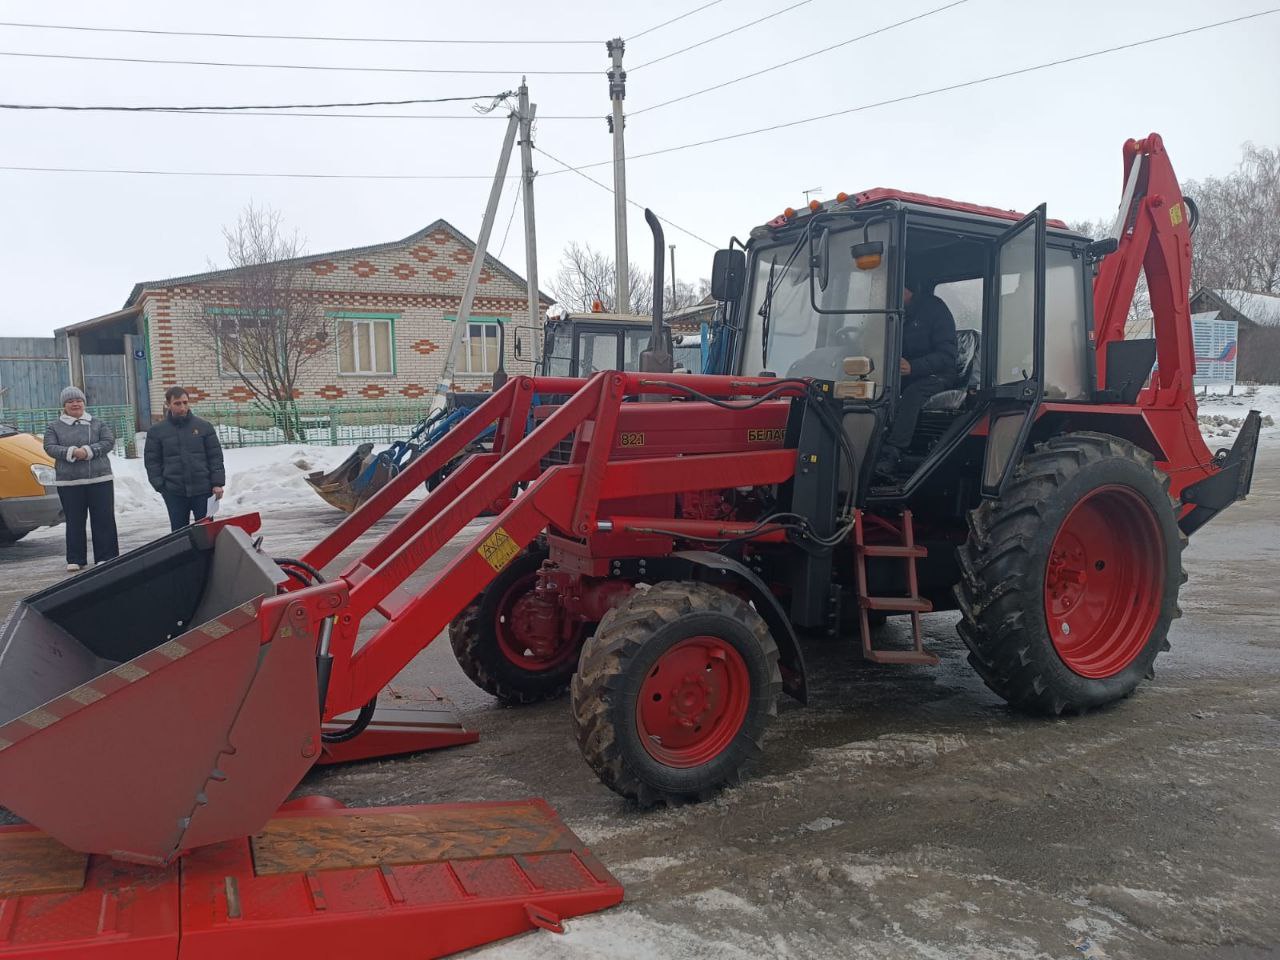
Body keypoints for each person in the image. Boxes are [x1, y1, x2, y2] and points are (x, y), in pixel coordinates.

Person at [875, 278, 958, 481]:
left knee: (912, 393)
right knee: (873, 391)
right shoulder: (888, 314)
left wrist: (914, 367)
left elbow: (948, 355)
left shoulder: (935, 310)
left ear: (906, 289)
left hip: (938, 375)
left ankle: (891, 453)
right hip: (898, 374)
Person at [43, 386, 119, 571]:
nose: (75, 404)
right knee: (75, 520)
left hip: (100, 479)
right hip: (69, 482)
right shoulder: (54, 426)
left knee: (103, 518)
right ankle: (75, 558)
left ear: (84, 403)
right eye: (70, 402)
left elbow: (108, 441)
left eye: (78, 401)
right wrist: (71, 452)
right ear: (64, 406)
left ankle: (106, 556)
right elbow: (49, 446)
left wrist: (89, 451)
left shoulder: (98, 423)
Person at [145, 386, 226, 531]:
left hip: (203, 490)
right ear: (168, 404)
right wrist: (161, 486)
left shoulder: (204, 427)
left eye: (185, 402)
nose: (182, 407)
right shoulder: (156, 431)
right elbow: (152, 461)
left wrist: (217, 483)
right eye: (177, 403)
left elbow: (215, 457)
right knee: (179, 535)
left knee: (206, 533)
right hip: (174, 492)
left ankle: (206, 555)